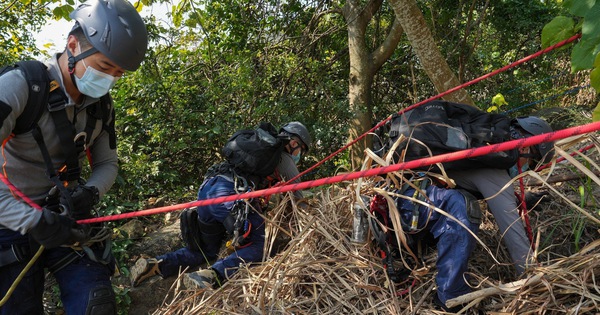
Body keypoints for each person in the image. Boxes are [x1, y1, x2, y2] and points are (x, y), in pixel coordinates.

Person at [0, 0, 148, 314]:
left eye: (118, 73)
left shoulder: (100, 107)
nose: (109, 79)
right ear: (72, 45)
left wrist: (90, 191)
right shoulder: (20, 87)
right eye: (105, 67)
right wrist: (32, 220)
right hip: (8, 219)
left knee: (96, 304)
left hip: (66, 217)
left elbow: (107, 163)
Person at [129, 122, 312, 289]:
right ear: (294, 142)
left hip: (208, 192)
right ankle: (212, 275)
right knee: (259, 245)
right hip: (230, 196)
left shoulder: (258, 148)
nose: (298, 156)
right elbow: (299, 199)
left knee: (204, 252)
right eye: (300, 150)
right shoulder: (283, 157)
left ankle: (156, 264)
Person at [446, 116, 555, 276]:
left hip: (420, 189)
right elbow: (512, 228)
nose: (525, 171)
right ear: (524, 149)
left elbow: (493, 192)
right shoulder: (493, 169)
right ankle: (452, 290)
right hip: (419, 206)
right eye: (530, 165)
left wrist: (522, 199)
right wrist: (531, 274)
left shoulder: (486, 147)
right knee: (464, 209)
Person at [371, 177, 481, 312]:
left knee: (462, 204)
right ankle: (451, 296)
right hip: (406, 189)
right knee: (460, 206)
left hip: (440, 188)